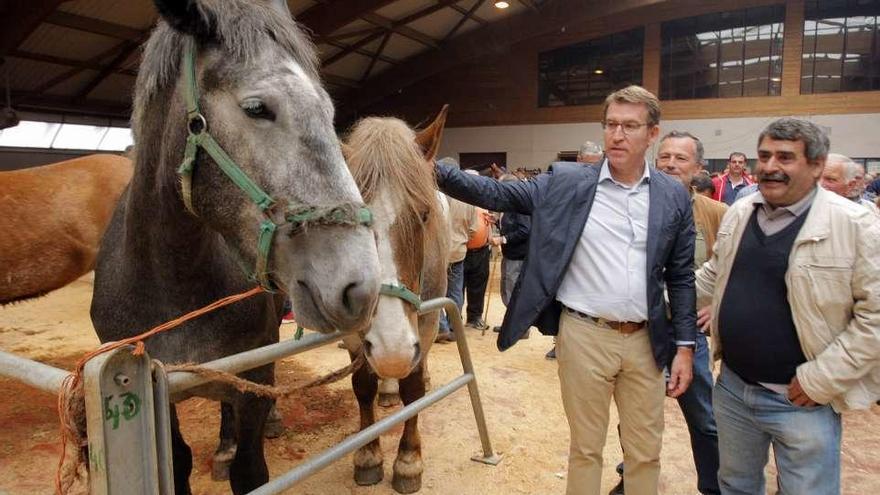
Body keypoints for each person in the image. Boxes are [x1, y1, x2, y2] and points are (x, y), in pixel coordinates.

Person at [435, 85, 696, 495]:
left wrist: (684, 347)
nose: (618, 135)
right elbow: (496, 192)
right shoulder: (566, 182)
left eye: (630, 126)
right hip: (584, 336)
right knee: (586, 449)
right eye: (611, 124)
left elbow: (681, 276)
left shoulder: (672, 195)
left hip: (647, 341)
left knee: (646, 451)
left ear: (652, 134)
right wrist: (427, 165)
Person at [695, 118, 880, 495]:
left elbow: (874, 318)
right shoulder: (741, 212)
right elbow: (713, 275)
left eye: (785, 156)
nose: (770, 166)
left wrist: (822, 379)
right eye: (764, 155)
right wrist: (647, 302)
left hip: (803, 402)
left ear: (816, 165)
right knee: (735, 486)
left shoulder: (856, 225)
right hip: (732, 390)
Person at [608, 131, 724, 495]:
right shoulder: (634, 205)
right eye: (665, 157)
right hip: (640, 333)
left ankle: (713, 485)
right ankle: (633, 480)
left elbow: (733, 268)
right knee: (635, 417)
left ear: (698, 168)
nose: (671, 164)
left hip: (688, 336)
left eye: (681, 159)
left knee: (704, 418)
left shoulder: (717, 214)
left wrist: (715, 308)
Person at [435, 158, 478, 343]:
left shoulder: (434, 195)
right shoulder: (468, 198)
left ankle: (442, 327)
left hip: (437, 252)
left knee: (435, 291)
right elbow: (473, 229)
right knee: (455, 291)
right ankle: (455, 327)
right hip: (458, 251)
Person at [490, 174, 532, 338]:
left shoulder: (520, 205)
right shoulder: (509, 204)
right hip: (510, 254)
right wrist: (494, 221)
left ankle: (520, 329)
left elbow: (525, 230)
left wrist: (502, 238)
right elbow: (510, 224)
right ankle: (510, 324)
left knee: (513, 290)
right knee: (507, 288)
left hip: (517, 255)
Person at [462, 169, 493, 330]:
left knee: (478, 286)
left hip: (481, 251)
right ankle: (454, 319)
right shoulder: (457, 198)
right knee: (457, 287)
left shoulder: (483, 200)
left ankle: (475, 317)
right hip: (461, 251)